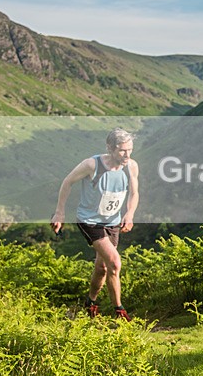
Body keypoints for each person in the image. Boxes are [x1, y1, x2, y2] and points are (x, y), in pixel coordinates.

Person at [50, 128, 140, 321]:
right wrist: (59, 212)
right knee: (115, 262)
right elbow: (67, 182)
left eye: (130, 150)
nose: (127, 155)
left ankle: (90, 303)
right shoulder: (92, 164)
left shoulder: (131, 166)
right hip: (89, 221)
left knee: (103, 268)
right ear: (110, 148)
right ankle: (120, 312)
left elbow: (134, 193)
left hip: (112, 222)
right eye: (122, 150)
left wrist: (130, 213)